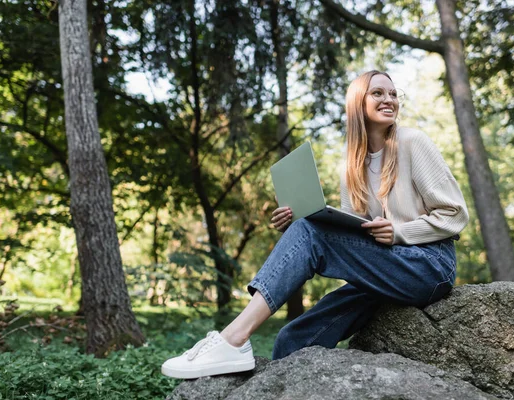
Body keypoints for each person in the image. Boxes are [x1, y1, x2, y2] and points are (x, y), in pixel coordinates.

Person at [161, 70, 469, 379]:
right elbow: (354, 234)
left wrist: (399, 232)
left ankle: (233, 339)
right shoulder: (351, 164)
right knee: (292, 339)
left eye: (393, 93)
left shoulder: (413, 142)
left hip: (428, 266)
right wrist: (298, 224)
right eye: (378, 93)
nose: (389, 99)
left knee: (311, 232)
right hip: (386, 268)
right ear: (357, 103)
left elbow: (454, 214)